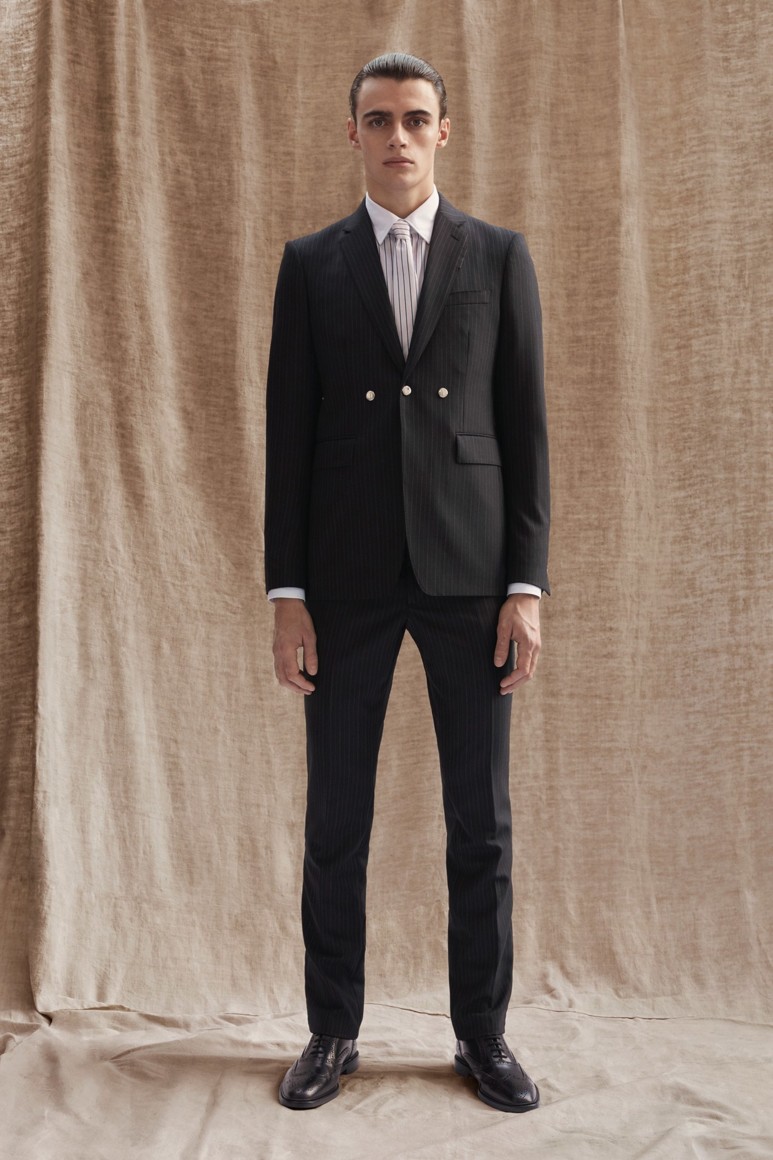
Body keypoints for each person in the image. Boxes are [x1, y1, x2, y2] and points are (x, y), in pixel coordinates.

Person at [264, 52, 550, 1113]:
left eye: (414, 119)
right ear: (353, 133)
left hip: (470, 575)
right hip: (342, 580)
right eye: (378, 119)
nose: (397, 136)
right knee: (336, 818)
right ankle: (331, 1031)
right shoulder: (310, 263)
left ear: (442, 131)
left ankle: (482, 1035)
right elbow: (287, 435)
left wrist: (526, 586)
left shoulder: (498, 255)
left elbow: (524, 429)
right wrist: (285, 594)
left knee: (481, 822)